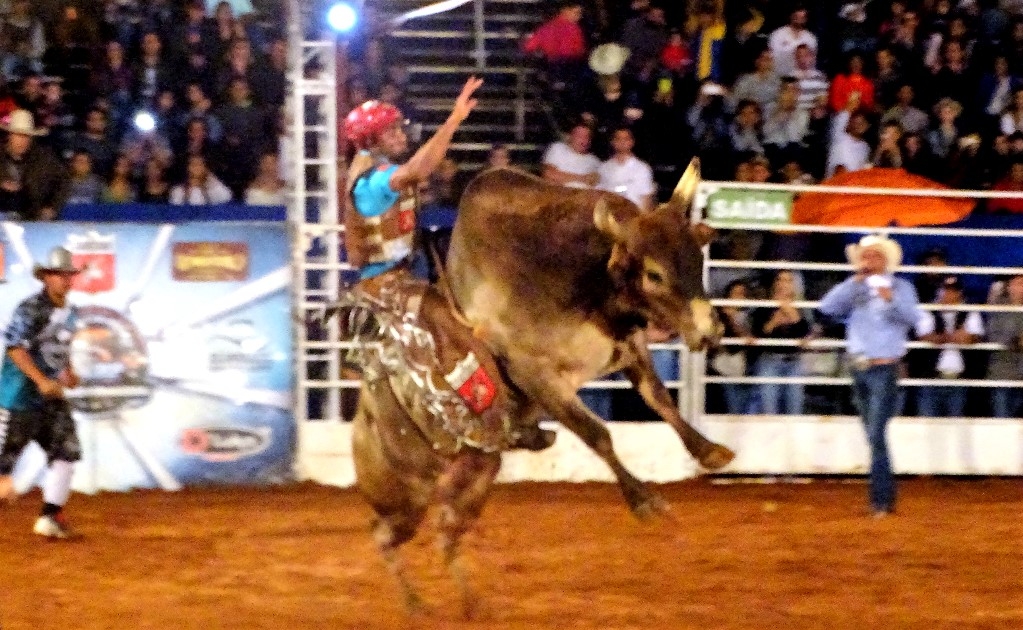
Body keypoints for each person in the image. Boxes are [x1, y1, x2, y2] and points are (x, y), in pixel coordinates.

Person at [341, 77, 552, 452]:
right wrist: (454, 119)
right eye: (390, 131)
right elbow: (419, 170)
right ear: (372, 139)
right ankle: (483, 423)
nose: (399, 134)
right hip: (387, 285)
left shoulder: (371, 174)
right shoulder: (373, 181)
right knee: (455, 334)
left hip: (398, 276)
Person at [817, 234, 922, 517]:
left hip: (884, 368)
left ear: (886, 261)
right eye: (866, 256)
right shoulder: (856, 288)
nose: (869, 261)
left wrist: (892, 301)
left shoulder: (901, 288)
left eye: (875, 256)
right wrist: (855, 282)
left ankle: (881, 500)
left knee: (875, 434)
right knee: (874, 435)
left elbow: (915, 319)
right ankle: (883, 499)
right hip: (861, 367)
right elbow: (826, 308)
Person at [0, 246, 83, 539]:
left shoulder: (72, 313)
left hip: (49, 397)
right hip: (17, 397)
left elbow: (60, 347)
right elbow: (14, 348)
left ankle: (50, 517)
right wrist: (40, 380)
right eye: (59, 274)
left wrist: (67, 372)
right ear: (45, 277)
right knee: (2, 472)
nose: (65, 279)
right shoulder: (31, 309)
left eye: (68, 274)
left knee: (67, 452)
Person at [752, 271, 810, 416]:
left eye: (789, 280)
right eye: (780, 279)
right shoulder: (764, 306)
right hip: (770, 360)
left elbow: (805, 332)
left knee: (794, 410)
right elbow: (758, 334)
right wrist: (774, 321)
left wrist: (791, 313)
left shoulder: (802, 307)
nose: (784, 284)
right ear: (774, 283)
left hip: (793, 362)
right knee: (769, 409)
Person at [986, 274, 1023, 417]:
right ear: (1009, 286)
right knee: (1001, 418)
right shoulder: (998, 308)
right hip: (1002, 373)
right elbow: (991, 333)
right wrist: (1014, 341)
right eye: (1018, 283)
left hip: (1020, 374)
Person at [596, 127, 655, 211]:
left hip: (633, 217)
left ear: (632, 142)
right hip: (609, 217)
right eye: (618, 139)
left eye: (626, 139)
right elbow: (599, 195)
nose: (622, 142)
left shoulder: (642, 169)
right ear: (613, 142)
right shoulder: (604, 168)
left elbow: (646, 199)